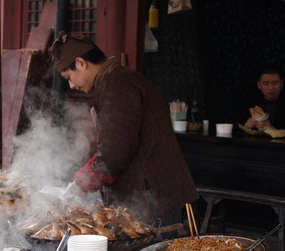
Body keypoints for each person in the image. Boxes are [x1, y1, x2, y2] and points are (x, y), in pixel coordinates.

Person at [49, 31, 198, 225]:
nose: (71, 85)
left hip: (153, 192)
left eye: (69, 77)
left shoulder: (116, 85)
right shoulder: (116, 79)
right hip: (152, 190)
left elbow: (115, 151)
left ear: (81, 63)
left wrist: (81, 183)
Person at [243, 66, 285, 131]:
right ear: (259, 85)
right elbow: (237, 125)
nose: (271, 88)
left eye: (275, 83)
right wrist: (246, 125)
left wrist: (272, 128)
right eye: (266, 83)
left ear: (281, 83)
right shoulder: (250, 101)